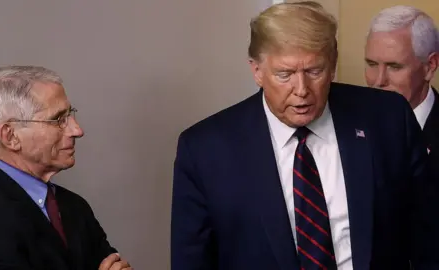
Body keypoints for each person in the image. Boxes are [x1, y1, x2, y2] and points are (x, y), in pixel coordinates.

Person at [171, 2, 439, 270]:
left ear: (332, 65)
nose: (301, 90)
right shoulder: (205, 151)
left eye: (314, 71)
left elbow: (429, 237)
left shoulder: (387, 118)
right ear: (257, 71)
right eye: (284, 74)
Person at [0, 66, 132, 270]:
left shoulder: (75, 207)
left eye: (70, 114)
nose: (77, 130)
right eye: (58, 119)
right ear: (11, 136)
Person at [365, 5, 439, 173]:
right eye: (372, 64)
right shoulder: (350, 125)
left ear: (429, 66)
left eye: (394, 67)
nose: (379, 81)